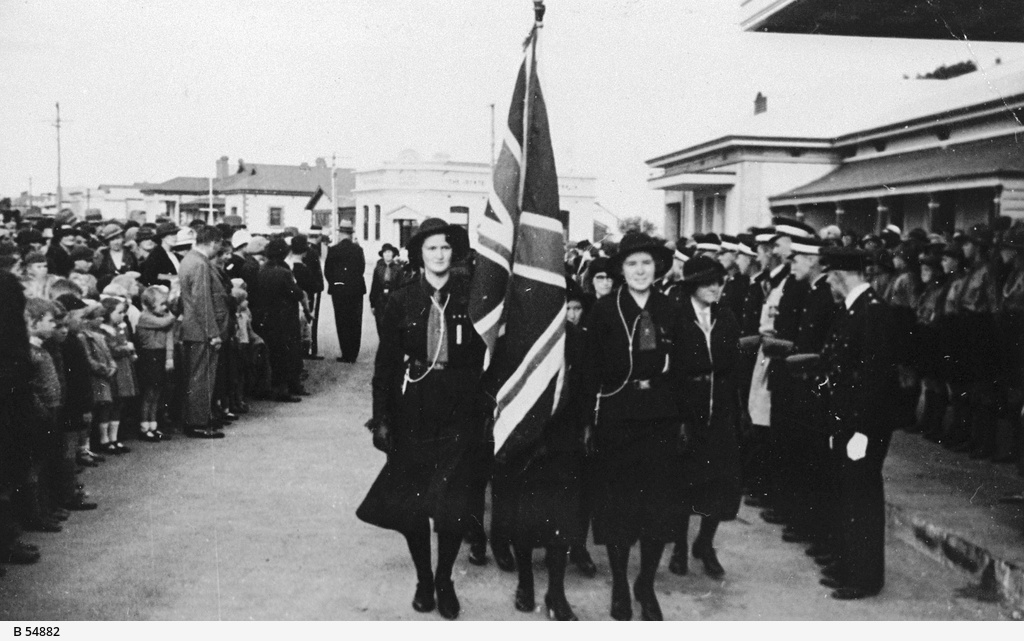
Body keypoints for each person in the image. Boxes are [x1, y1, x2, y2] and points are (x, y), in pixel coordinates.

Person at [356, 218, 486, 620]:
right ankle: (424, 579)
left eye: (446, 247)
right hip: (414, 409)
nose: (439, 255)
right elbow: (386, 365)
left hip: (459, 409)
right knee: (412, 501)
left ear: (455, 253)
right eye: (431, 249)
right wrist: (381, 417)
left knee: (453, 502)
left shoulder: (472, 298)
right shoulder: (401, 299)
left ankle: (445, 579)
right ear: (419, 255)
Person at [580, 231, 687, 621]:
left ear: (657, 267)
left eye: (646, 263)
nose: (640, 270)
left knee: (657, 508)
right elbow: (589, 372)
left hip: (660, 418)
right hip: (617, 418)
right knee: (619, 507)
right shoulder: (605, 310)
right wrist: (588, 423)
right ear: (621, 270)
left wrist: (683, 420)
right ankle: (622, 586)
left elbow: (686, 368)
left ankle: (646, 583)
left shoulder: (673, 307)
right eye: (632, 264)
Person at [491, 279, 589, 621]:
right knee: (524, 520)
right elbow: (499, 391)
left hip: (562, 442)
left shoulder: (577, 340)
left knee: (561, 522)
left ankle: (556, 593)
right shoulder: (514, 340)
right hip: (524, 444)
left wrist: (578, 433)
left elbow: (585, 391)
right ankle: (526, 583)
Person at [817, 246, 898, 600]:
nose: (830, 287)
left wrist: (862, 431)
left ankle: (865, 578)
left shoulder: (872, 313)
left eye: (831, 279)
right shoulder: (854, 310)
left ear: (840, 276)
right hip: (848, 420)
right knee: (848, 495)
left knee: (863, 498)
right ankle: (849, 564)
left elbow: (875, 378)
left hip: (864, 424)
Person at [666, 255, 743, 581]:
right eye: (709, 282)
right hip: (688, 411)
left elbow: (735, 365)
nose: (715, 288)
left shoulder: (726, 316)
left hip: (722, 409)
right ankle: (681, 547)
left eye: (719, 282)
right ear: (693, 285)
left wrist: (739, 409)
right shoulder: (676, 316)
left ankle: (705, 544)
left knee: (720, 482)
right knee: (685, 481)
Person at [177, 226, 225, 439]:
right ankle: (197, 422)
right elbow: (202, 301)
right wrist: (213, 332)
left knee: (197, 376)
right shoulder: (199, 264)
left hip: (193, 328)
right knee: (202, 378)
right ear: (214, 242)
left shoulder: (189, 259)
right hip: (200, 330)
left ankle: (197, 417)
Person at [252, 238, 305, 403]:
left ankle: (268, 387)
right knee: (285, 354)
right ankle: (283, 390)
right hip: (285, 317)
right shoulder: (284, 272)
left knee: (271, 353)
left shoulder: (261, 270)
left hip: (266, 316)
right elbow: (295, 293)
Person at [135, 285, 176, 442]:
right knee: (149, 393)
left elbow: (169, 338)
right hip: (149, 356)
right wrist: (172, 312)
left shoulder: (163, 317)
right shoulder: (145, 317)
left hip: (160, 355)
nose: (165, 308)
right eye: (161, 304)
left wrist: (169, 358)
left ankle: (153, 425)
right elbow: (165, 322)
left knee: (157, 393)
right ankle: (144, 427)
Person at [323, 220, 366, 363]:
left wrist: (336, 284)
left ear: (340, 233)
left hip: (339, 291)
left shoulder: (333, 250)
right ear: (350, 234)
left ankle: (346, 353)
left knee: (342, 321)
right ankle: (353, 353)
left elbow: (328, 271)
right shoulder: (358, 250)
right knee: (355, 321)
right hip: (356, 290)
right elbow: (361, 269)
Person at [370, 243, 402, 336]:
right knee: (380, 326)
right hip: (380, 302)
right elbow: (374, 286)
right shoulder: (378, 268)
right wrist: (372, 304)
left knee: (392, 328)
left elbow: (401, 288)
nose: (387, 254)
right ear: (382, 255)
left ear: (392, 254)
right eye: (385, 252)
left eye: (389, 252)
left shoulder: (398, 269)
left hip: (393, 302)